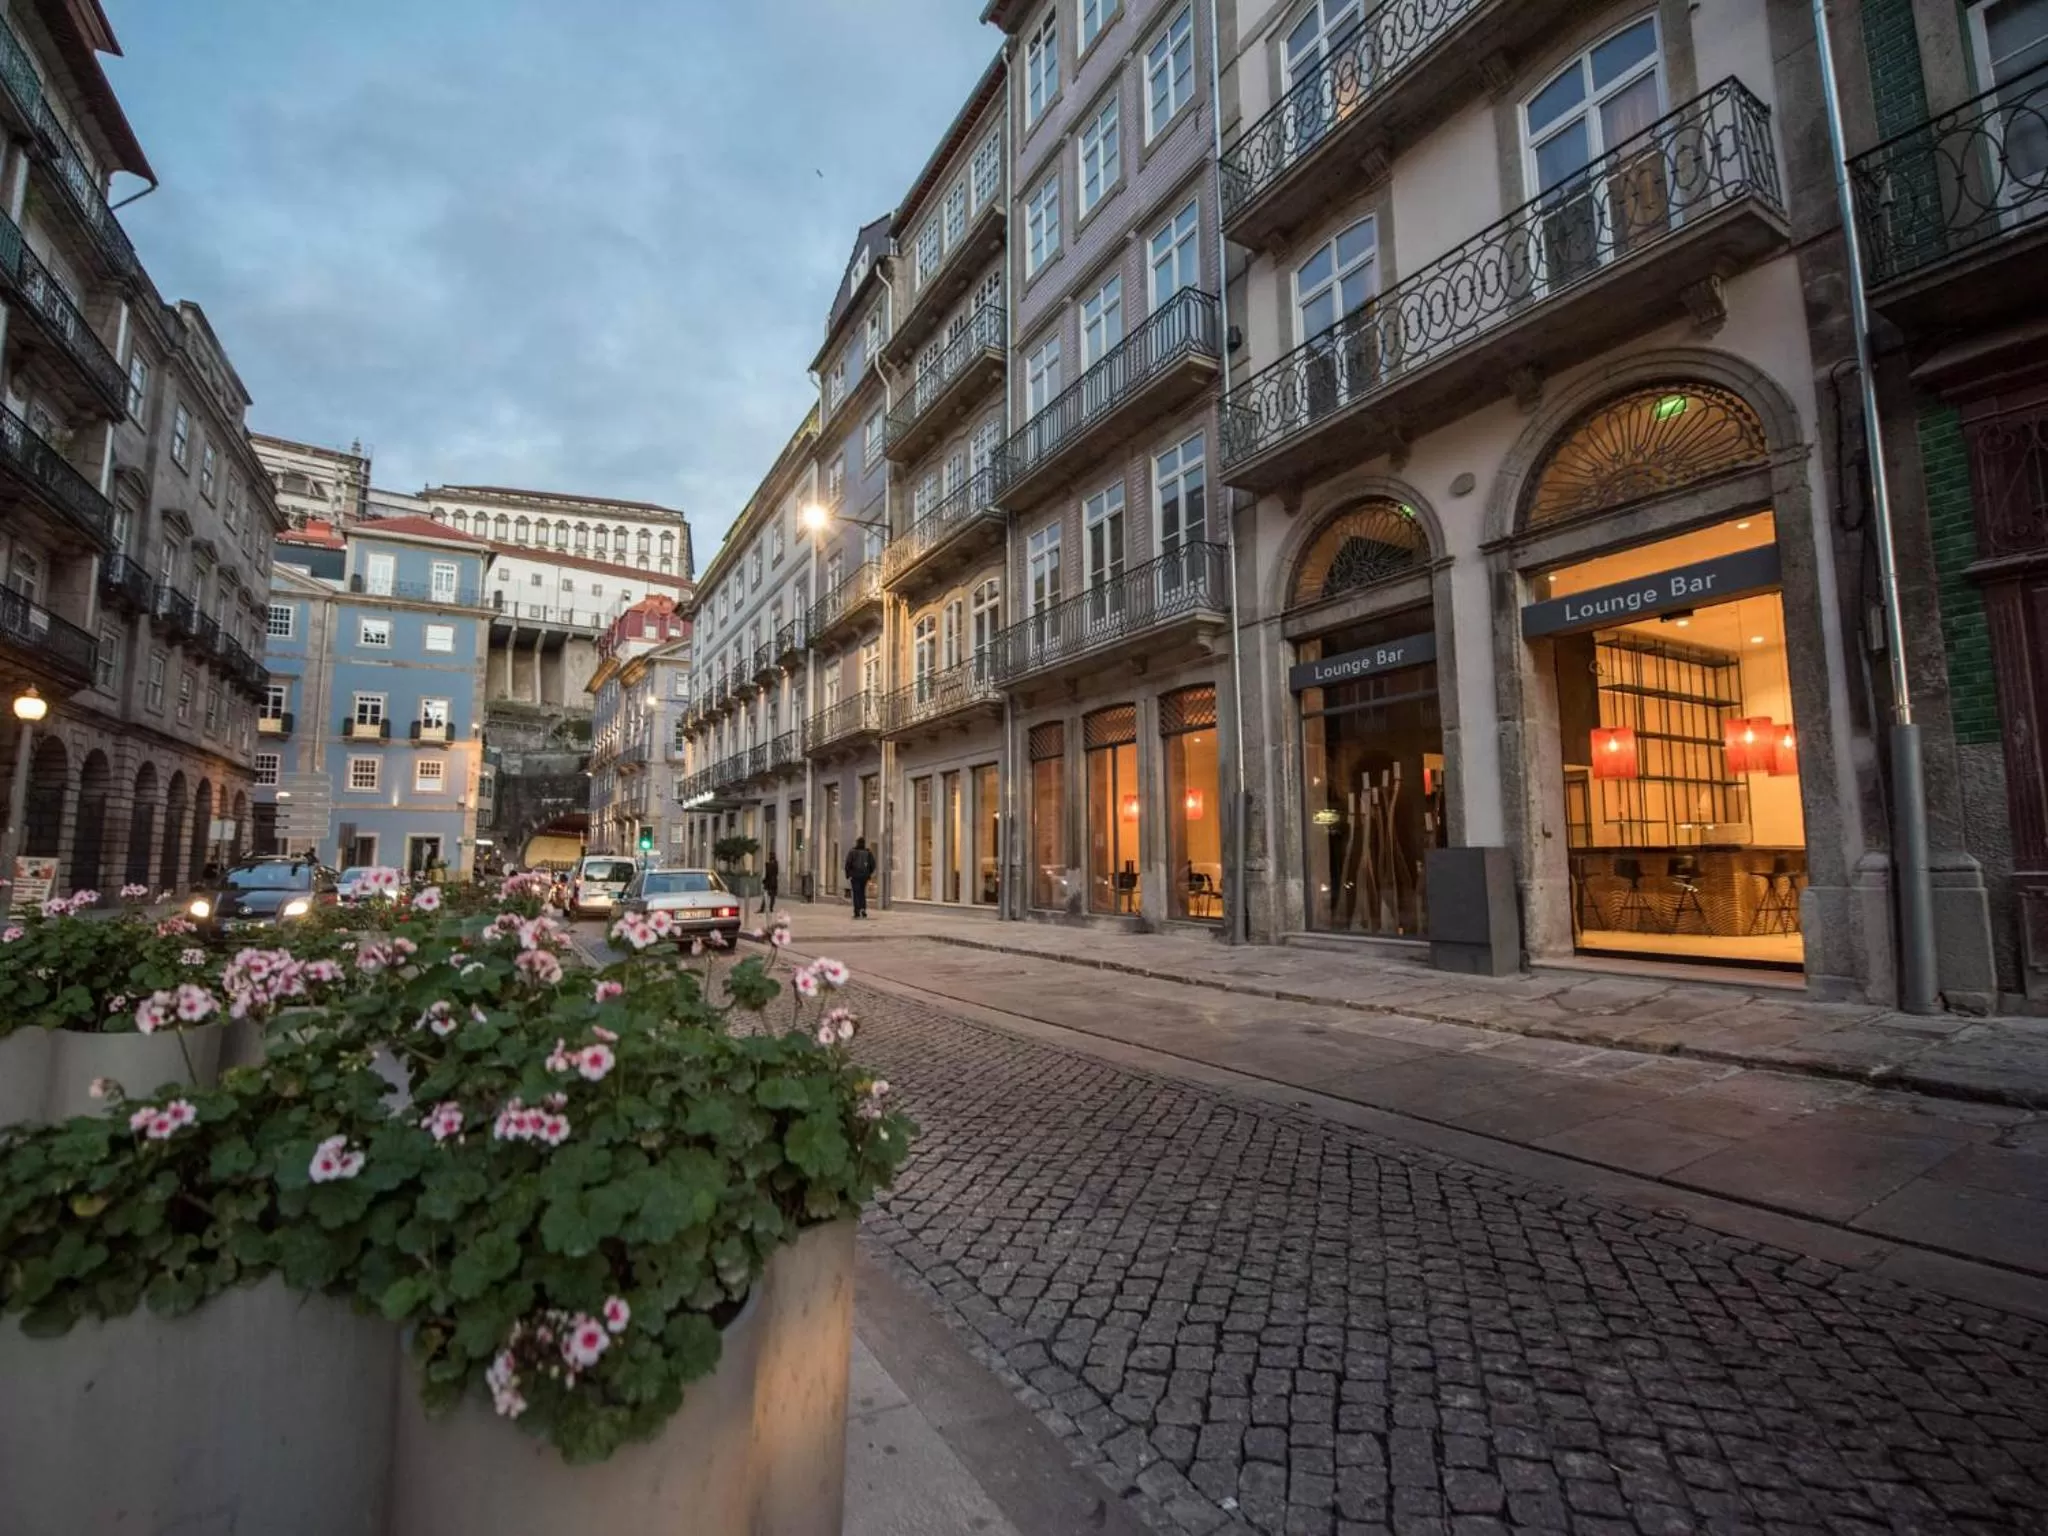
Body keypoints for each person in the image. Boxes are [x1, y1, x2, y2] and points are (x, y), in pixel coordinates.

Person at [844, 837, 876, 919]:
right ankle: (863, 909)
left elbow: (848, 864)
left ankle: (857, 911)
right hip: (864, 876)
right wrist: (869, 873)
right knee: (862, 893)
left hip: (855, 876)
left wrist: (848, 874)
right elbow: (873, 864)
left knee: (856, 893)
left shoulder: (852, 852)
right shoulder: (868, 852)